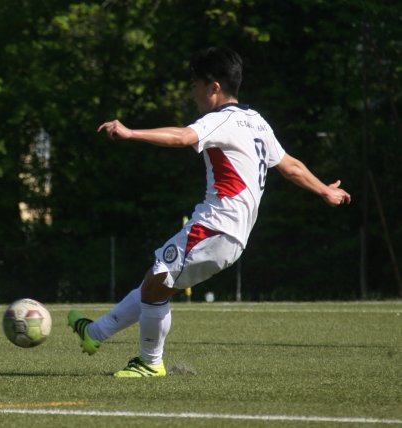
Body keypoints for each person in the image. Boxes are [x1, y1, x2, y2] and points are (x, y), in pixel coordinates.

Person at [68, 47, 351, 378]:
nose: (192, 92)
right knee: (156, 281)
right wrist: (324, 190)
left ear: (213, 86)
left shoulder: (222, 120)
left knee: (159, 279)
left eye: (194, 84)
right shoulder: (256, 121)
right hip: (231, 233)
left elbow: (182, 137)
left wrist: (131, 133)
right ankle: (95, 333)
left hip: (216, 226)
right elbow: (291, 166)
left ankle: (149, 361)